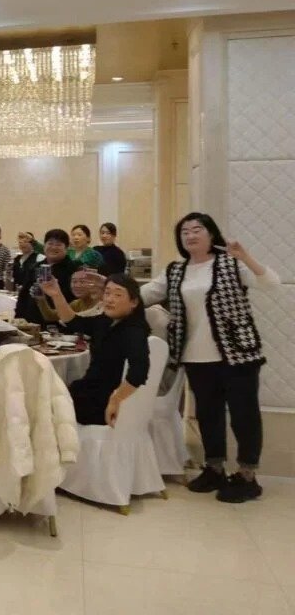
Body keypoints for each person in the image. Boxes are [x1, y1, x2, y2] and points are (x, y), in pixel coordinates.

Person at [141, 212, 279, 503]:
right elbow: (144, 294)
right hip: (195, 355)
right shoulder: (176, 270)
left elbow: (271, 283)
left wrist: (246, 256)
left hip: (237, 354)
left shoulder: (231, 263)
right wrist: (109, 290)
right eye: (184, 232)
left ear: (211, 234)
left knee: (244, 415)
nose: (190, 235)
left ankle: (247, 475)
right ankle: (214, 467)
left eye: (197, 230)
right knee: (208, 414)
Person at [40, 274, 150, 426]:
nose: (110, 299)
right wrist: (56, 294)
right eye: (107, 293)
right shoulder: (106, 321)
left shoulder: (133, 331)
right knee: (43, 397)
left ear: (134, 302)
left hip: (101, 401)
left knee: (42, 405)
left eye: (118, 294)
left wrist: (116, 399)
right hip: (90, 391)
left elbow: (139, 372)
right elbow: (73, 321)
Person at [14, 228, 79, 325]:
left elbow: (75, 299)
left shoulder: (73, 269)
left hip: (59, 324)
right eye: (50, 244)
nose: (53, 247)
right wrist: (18, 318)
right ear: (44, 246)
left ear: (66, 248)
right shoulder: (36, 267)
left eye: (58, 244)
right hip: (31, 323)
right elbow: (23, 295)